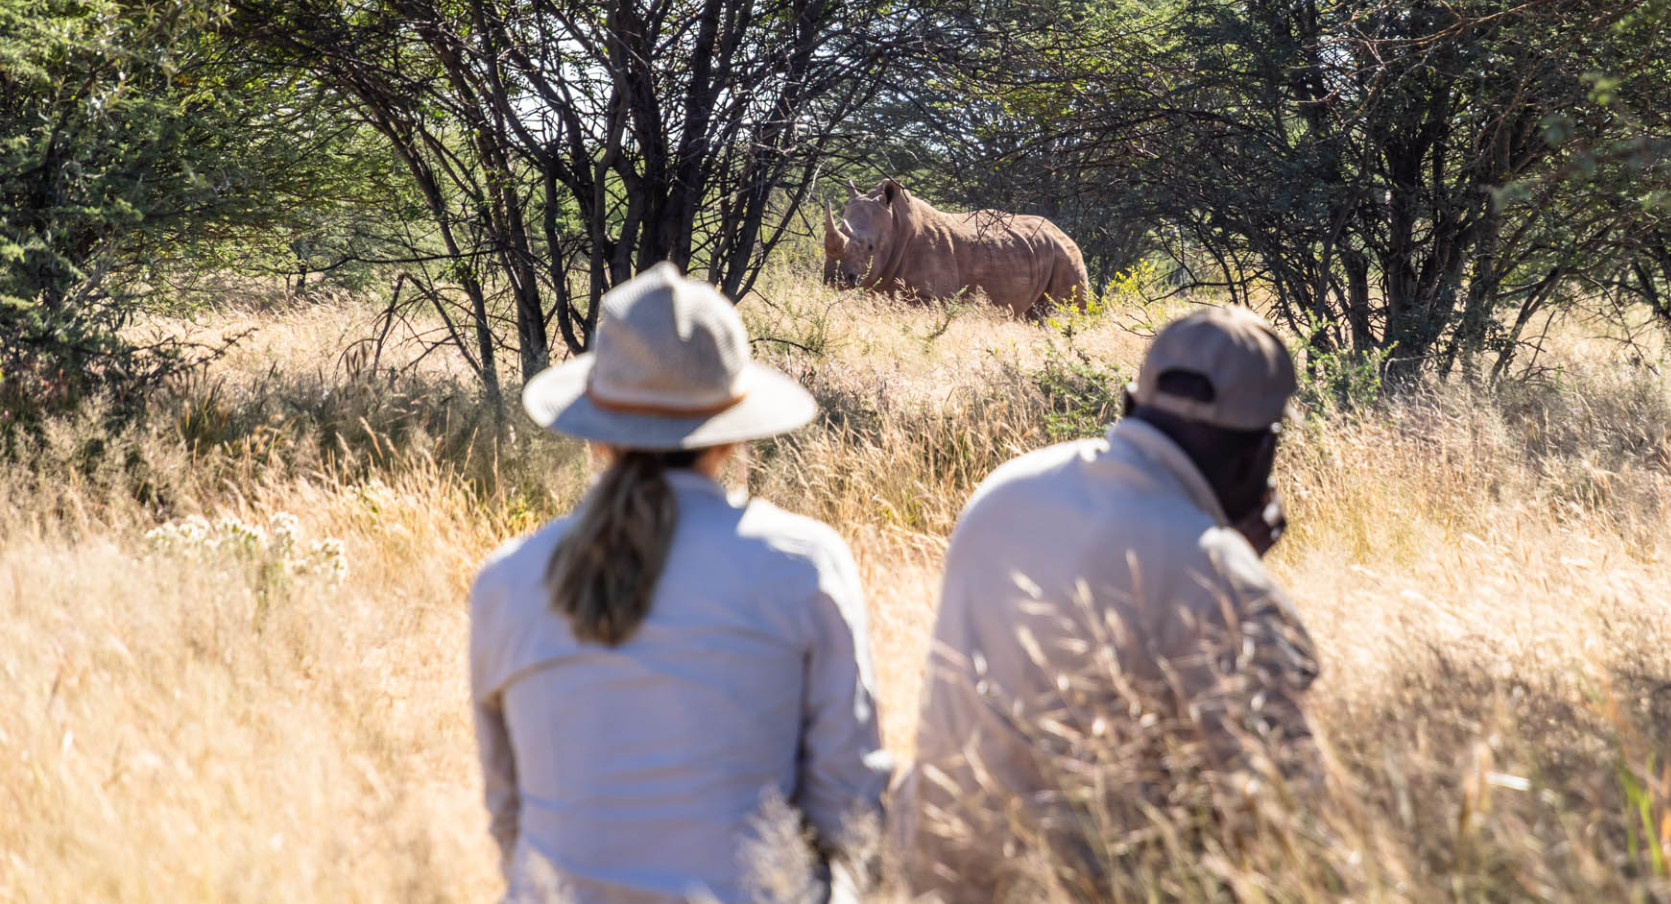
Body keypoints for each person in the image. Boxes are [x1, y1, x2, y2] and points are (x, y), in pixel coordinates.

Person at [468, 262, 891, 903]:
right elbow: (848, 801)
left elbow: (509, 819)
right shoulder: (801, 565)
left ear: (597, 431)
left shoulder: (507, 580)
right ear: (733, 432)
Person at [898, 304, 1320, 898]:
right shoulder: (1221, 576)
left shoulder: (1006, 487)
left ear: (1128, 405)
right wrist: (1238, 566)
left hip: (940, 871)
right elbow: (1283, 788)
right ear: (1259, 452)